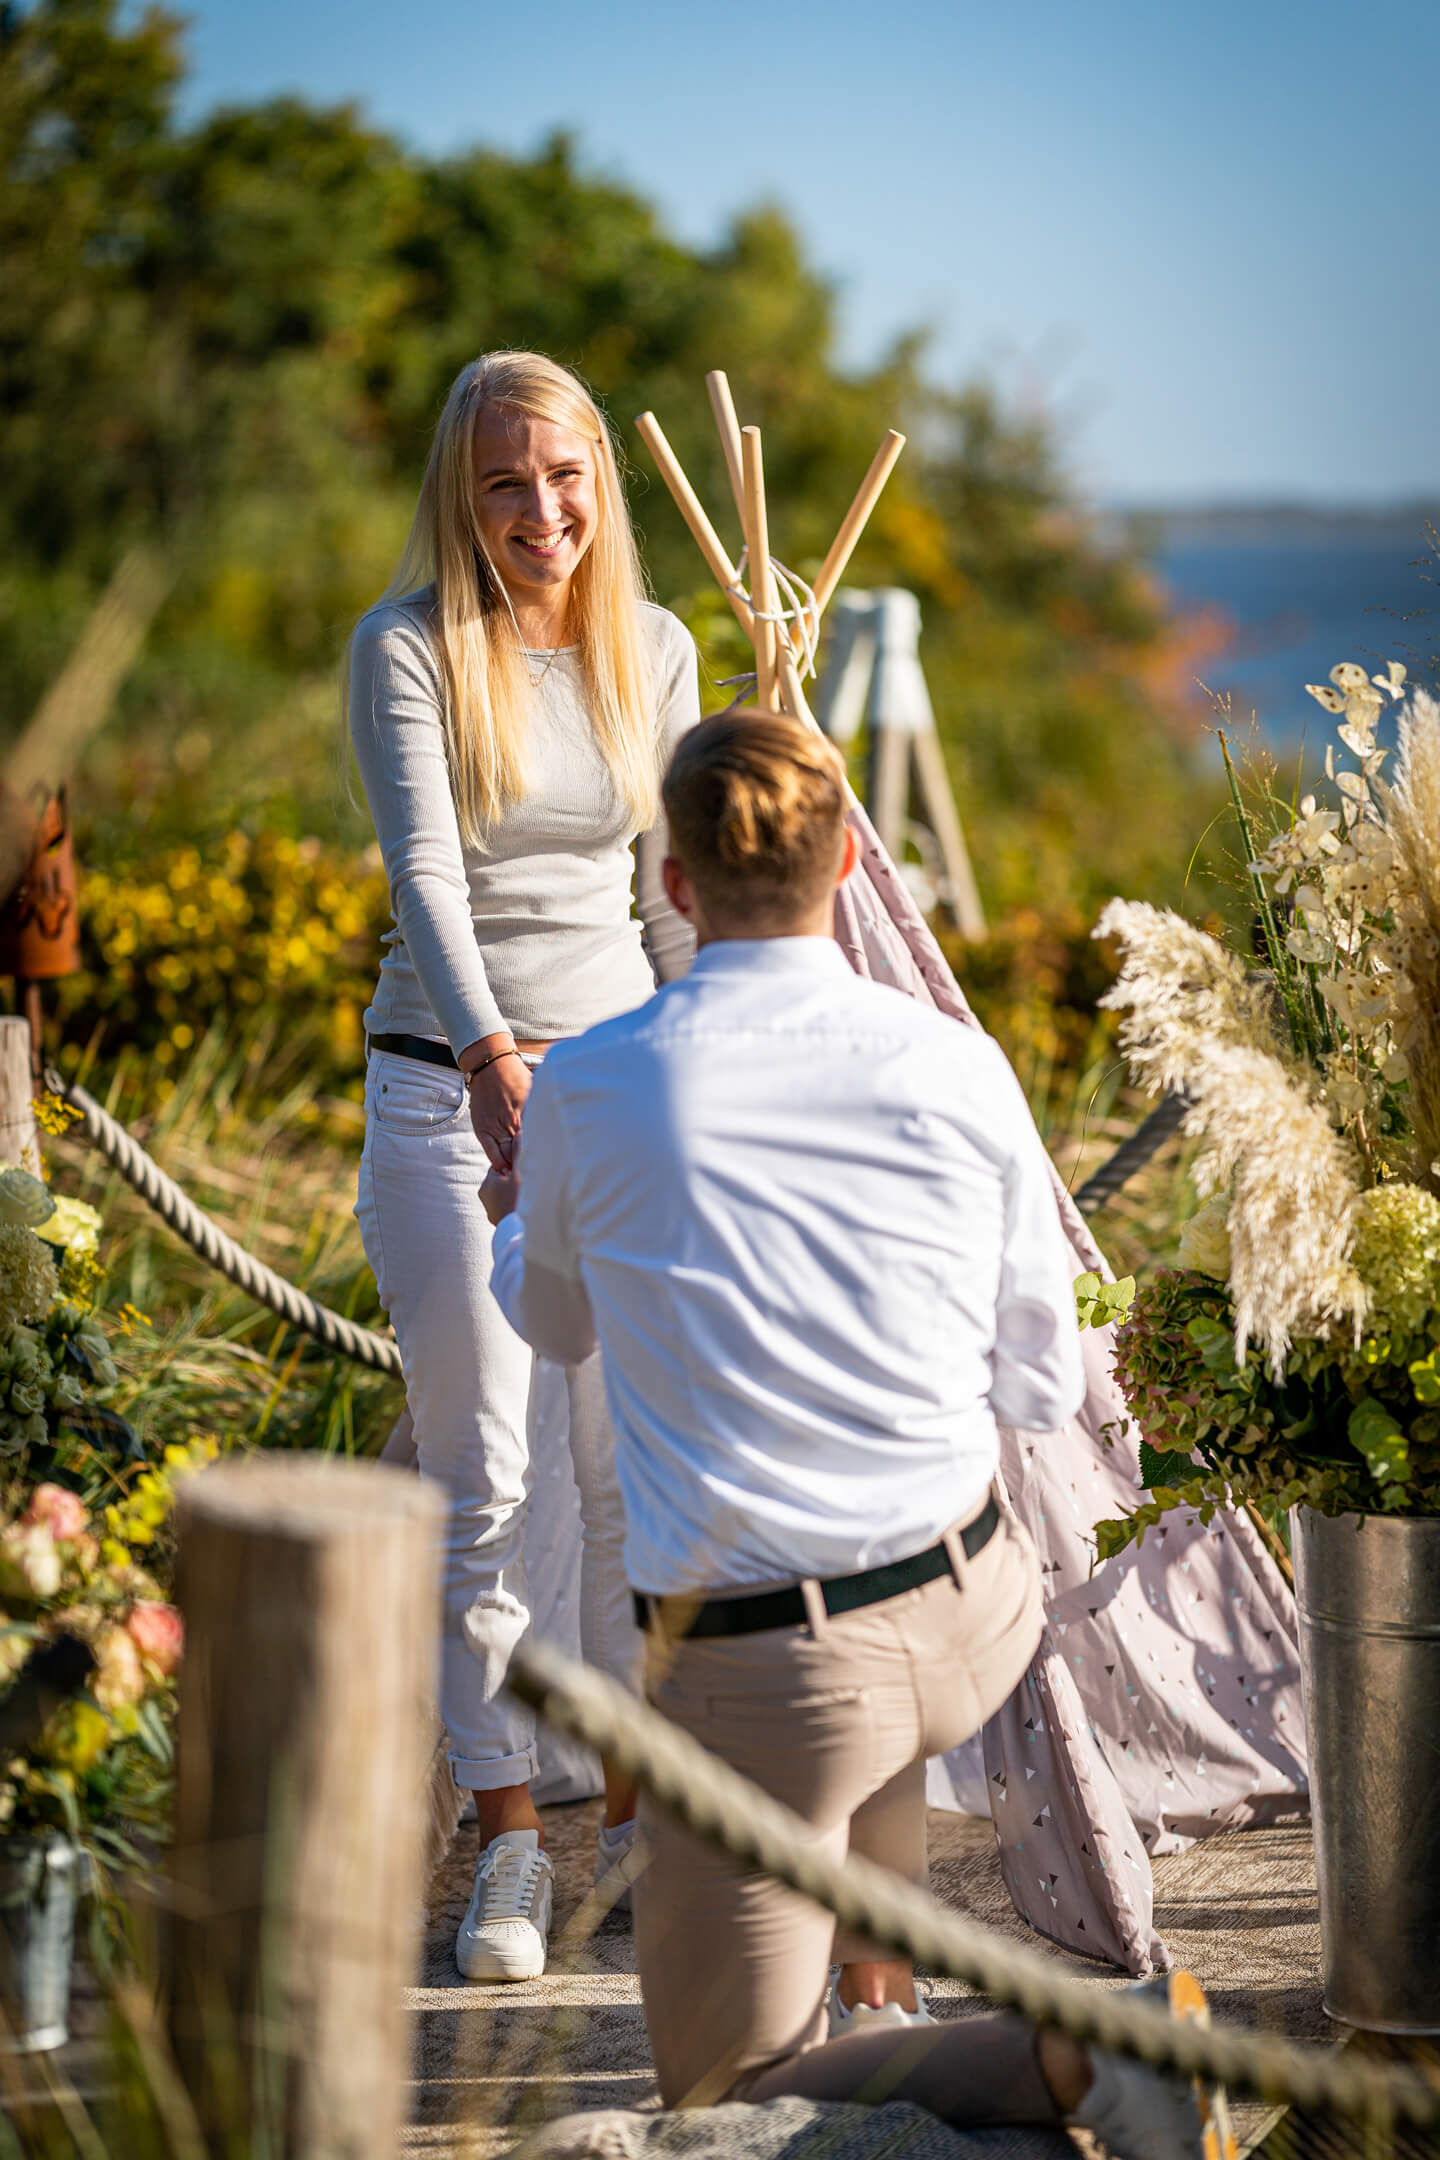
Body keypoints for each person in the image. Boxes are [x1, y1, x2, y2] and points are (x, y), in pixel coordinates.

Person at [483, 711, 1236, 2158]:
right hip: (970, 1607)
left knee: (721, 2093)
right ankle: (900, 2003)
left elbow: (556, 1327)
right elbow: (1034, 1381)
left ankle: (1086, 2060)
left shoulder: (593, 1082)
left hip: (772, 1667)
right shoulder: (956, 1065)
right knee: (866, 1681)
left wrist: (517, 1218)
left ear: (675, 885)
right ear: (845, 865)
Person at [348, 349, 699, 1982]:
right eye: (504, 482)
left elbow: (672, 903)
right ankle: (505, 1845)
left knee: (632, 1478)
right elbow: (425, 869)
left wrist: (709, 1077)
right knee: (487, 1475)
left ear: (597, 487)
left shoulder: (659, 648)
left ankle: (634, 1820)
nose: (539, 511)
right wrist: (496, 1069)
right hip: (444, 1095)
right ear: (461, 493)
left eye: (562, 478)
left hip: (622, 1102)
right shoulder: (408, 646)